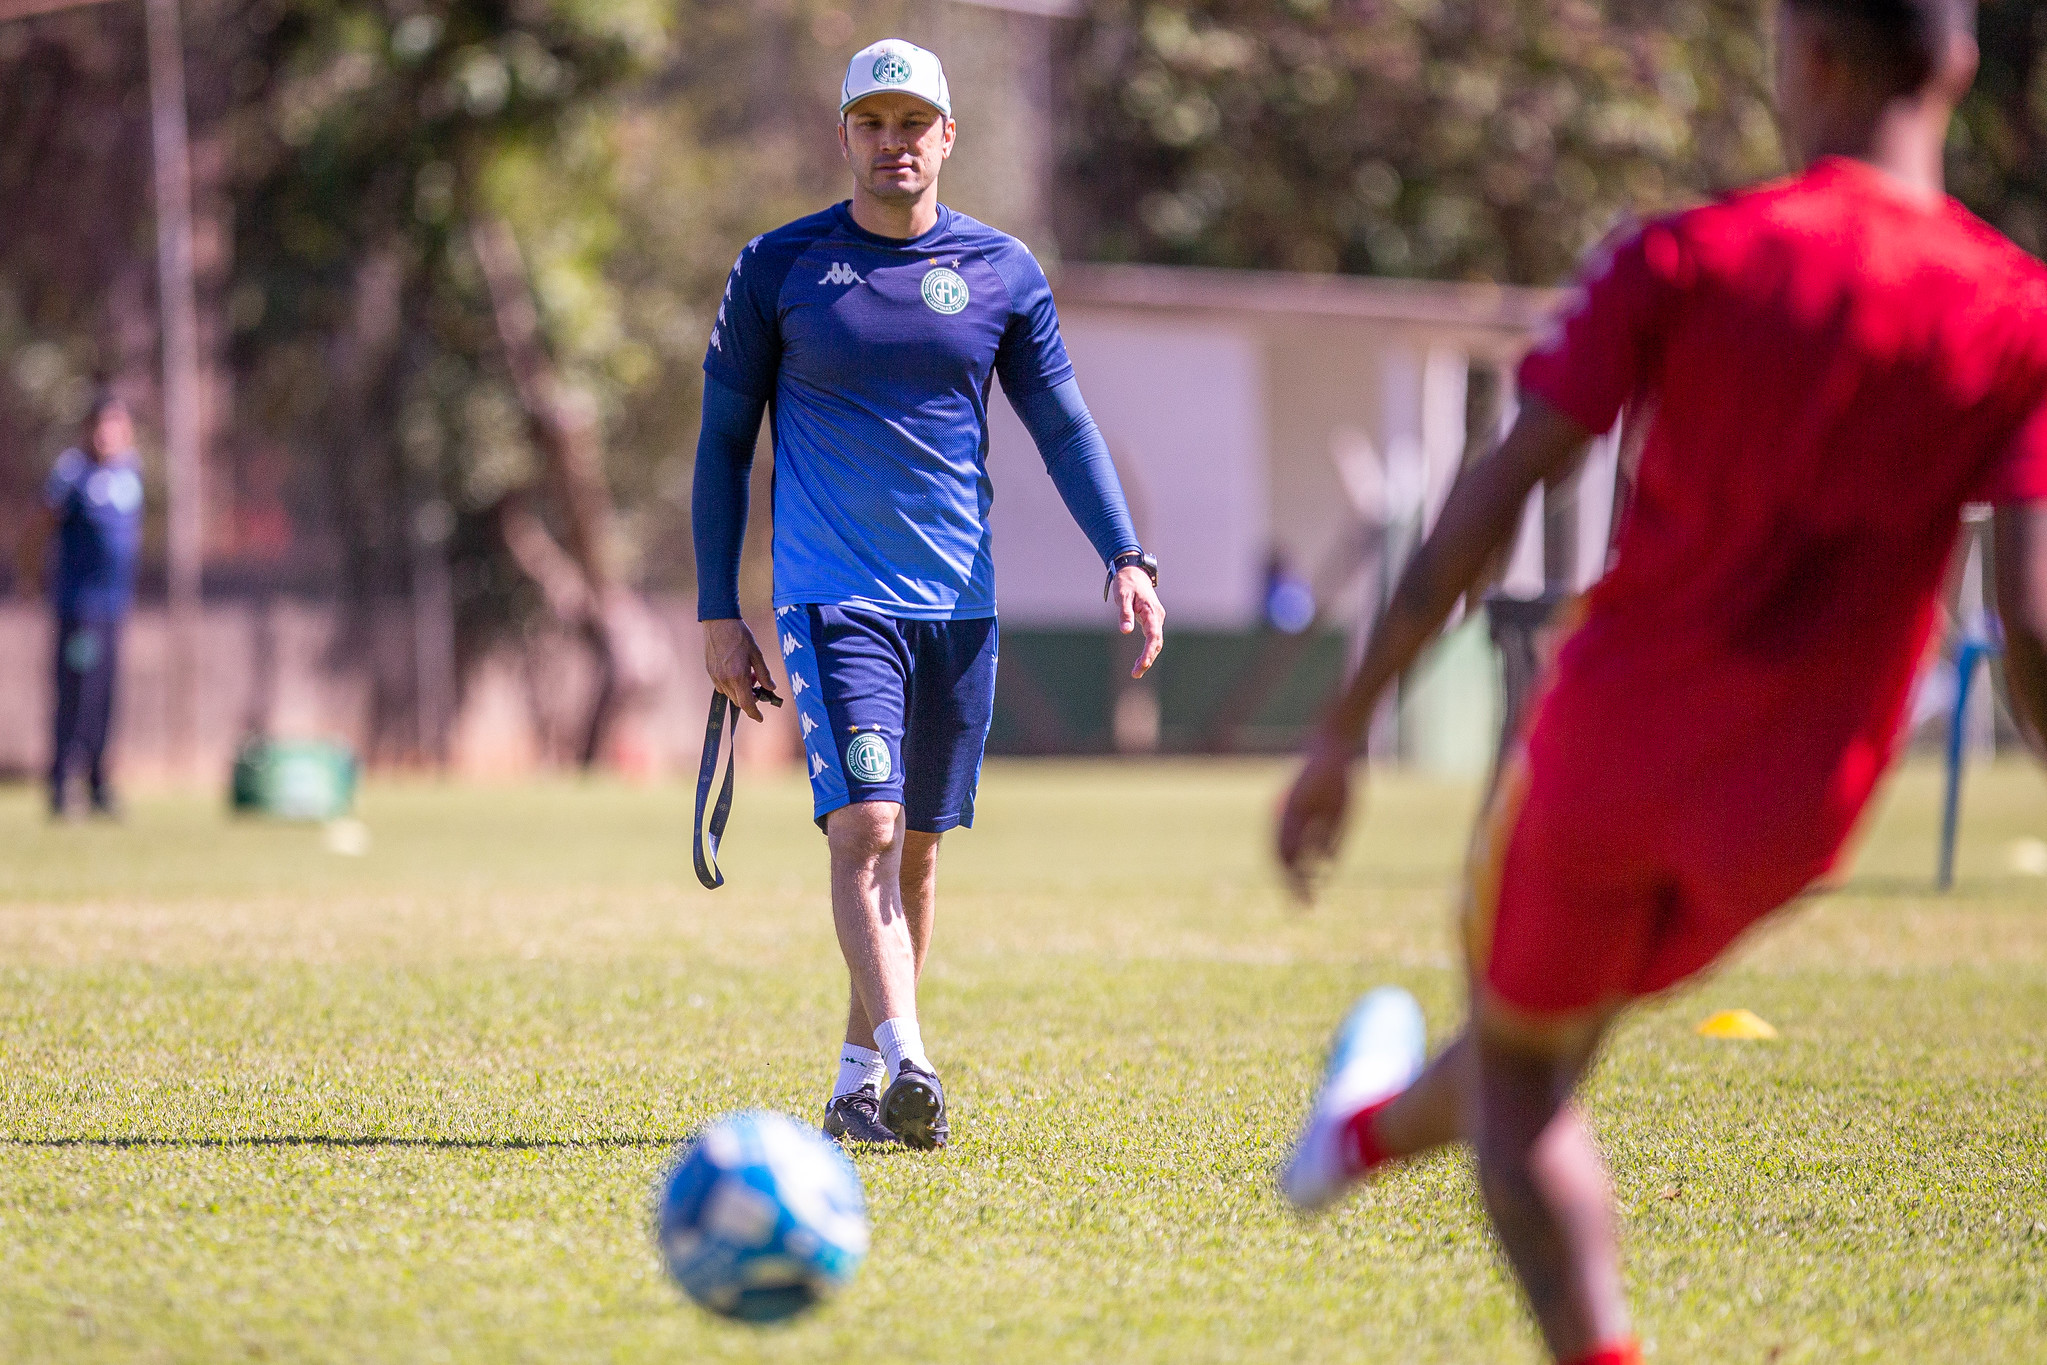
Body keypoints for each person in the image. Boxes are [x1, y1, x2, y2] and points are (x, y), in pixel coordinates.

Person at [1273, 3, 2047, 1362]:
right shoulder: (2017, 316)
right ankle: (1355, 1132)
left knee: (1524, 1076)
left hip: (1610, 757)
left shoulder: (1686, 258)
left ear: (1806, 57)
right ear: (1960, 62)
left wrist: (1342, 726)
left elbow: (1493, 498)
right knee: (1543, 1043)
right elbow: (2030, 620)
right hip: (1797, 810)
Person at [692, 38, 1165, 1150]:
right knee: (864, 822)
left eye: (914, 124)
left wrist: (1126, 554)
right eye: (873, 123)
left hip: (958, 602)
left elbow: (1060, 422)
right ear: (844, 135)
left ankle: (861, 1085)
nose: (894, 143)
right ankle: (913, 1058)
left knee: (919, 847)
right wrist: (722, 608)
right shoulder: (780, 266)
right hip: (830, 597)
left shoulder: (1001, 272)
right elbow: (721, 447)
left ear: (947, 136)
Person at [16, 392, 146, 820]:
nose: (108, 434)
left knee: (107, 696)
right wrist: (30, 578)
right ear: (88, 430)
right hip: (79, 611)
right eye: (100, 425)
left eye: (116, 425)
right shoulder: (72, 475)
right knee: (77, 693)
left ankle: (98, 781)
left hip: (114, 610)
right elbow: (38, 527)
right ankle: (59, 783)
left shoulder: (131, 474)